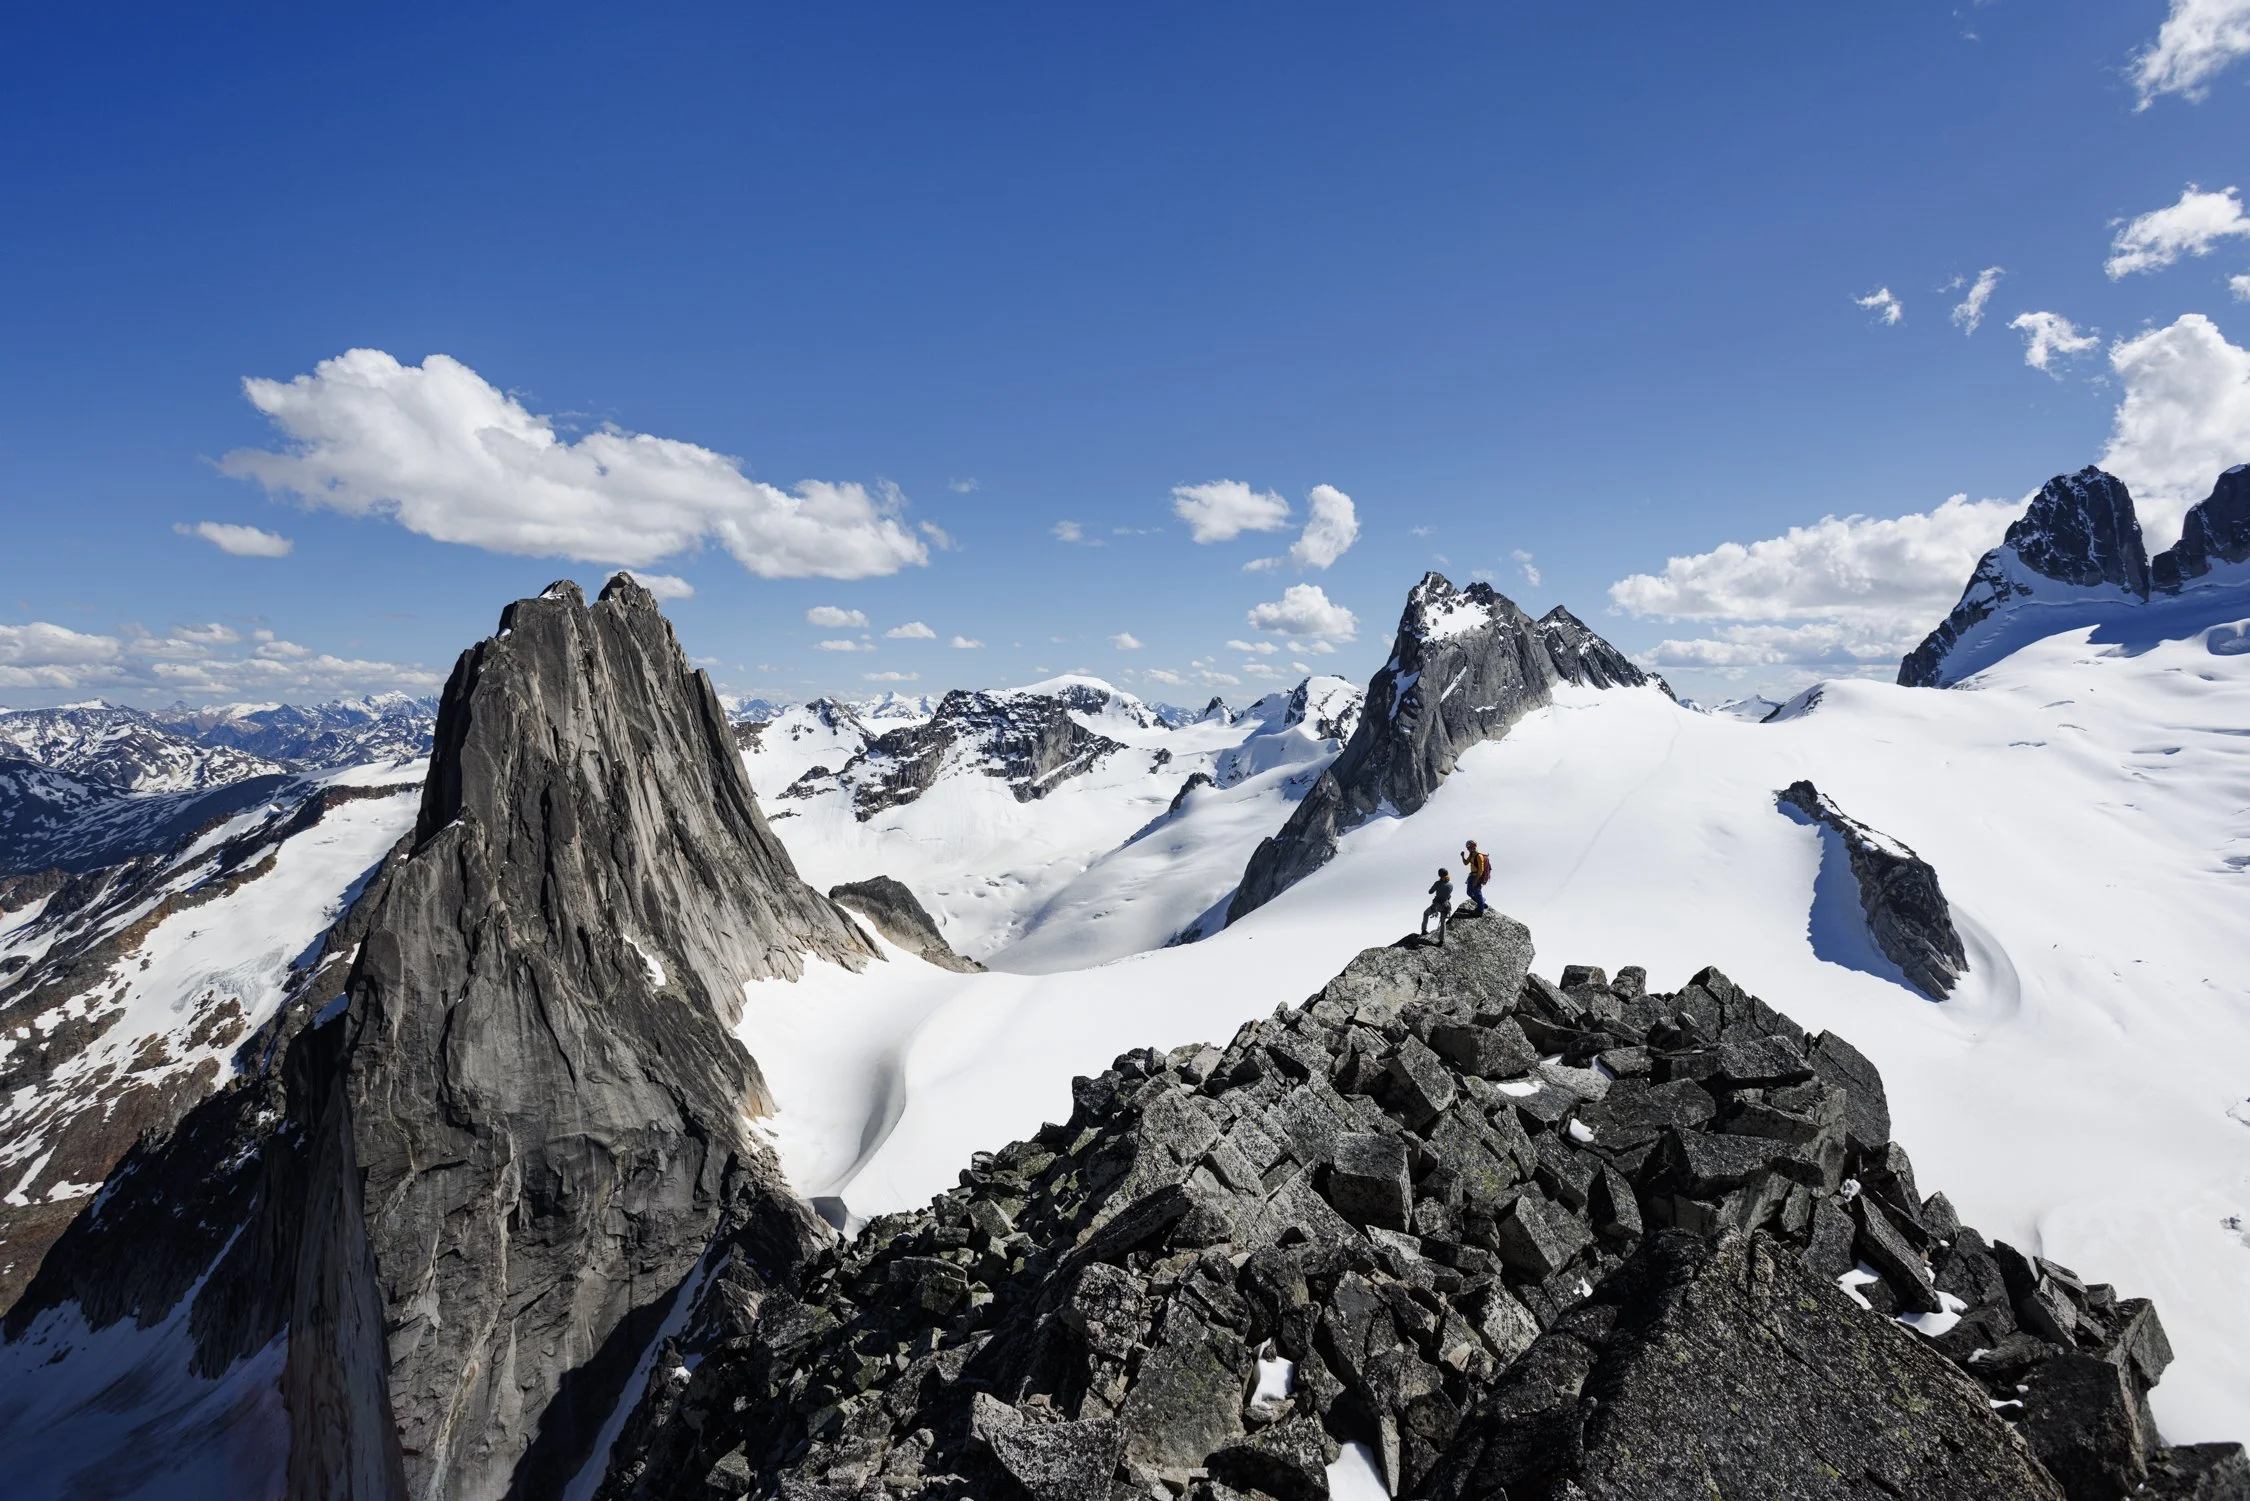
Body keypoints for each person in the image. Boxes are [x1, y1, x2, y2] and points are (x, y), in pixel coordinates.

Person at [1422, 867, 1453, 945]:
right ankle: (1441, 941)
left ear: (1440, 875)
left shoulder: (1438, 883)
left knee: (1426, 913)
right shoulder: (1451, 884)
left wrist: (1436, 886)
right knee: (1443, 922)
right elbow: (1449, 895)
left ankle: (1424, 930)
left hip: (1437, 905)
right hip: (1446, 906)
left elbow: (1430, 892)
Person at [1461, 839, 1491, 917]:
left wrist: (1476, 880)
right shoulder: (1471, 855)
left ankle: (1480, 910)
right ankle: (1482, 902)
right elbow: (1466, 863)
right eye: (1468, 848)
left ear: (1474, 847)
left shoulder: (1479, 856)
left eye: (1469, 847)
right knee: (1469, 892)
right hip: (1472, 876)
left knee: (1477, 893)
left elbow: (1481, 870)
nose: (1468, 849)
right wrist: (1463, 856)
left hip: (1477, 877)